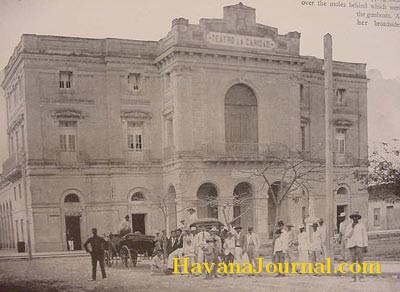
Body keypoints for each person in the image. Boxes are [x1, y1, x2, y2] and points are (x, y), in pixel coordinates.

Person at [344, 211, 368, 282]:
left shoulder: (362, 225)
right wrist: (352, 228)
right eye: (354, 217)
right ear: (352, 218)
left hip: (359, 245)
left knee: (360, 261)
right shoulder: (349, 226)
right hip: (351, 245)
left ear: (358, 218)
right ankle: (353, 276)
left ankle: (361, 276)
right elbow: (347, 235)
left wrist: (365, 245)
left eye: (356, 217)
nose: (355, 218)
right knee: (352, 261)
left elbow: (364, 236)